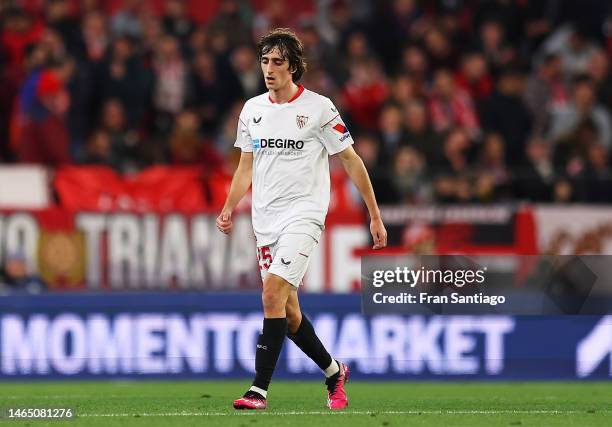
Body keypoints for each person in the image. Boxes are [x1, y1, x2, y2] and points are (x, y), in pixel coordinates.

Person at [215, 28, 387, 411]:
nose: (269, 69)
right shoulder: (252, 110)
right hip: (266, 221)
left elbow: (351, 160)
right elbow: (246, 167)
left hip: (304, 215)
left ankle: (258, 390)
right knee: (289, 314)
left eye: (278, 62)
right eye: (264, 61)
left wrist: (374, 215)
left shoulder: (319, 108)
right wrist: (229, 207)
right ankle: (333, 372)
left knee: (271, 295)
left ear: (294, 66)